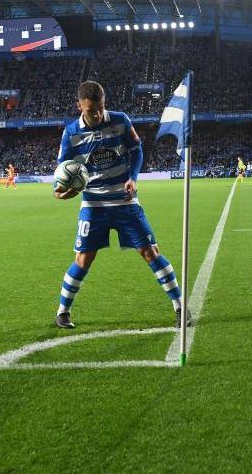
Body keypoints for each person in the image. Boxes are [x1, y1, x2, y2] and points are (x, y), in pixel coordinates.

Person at [51, 81, 186, 329]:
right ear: (79, 105)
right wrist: (59, 193)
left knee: (150, 252)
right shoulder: (71, 133)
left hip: (125, 202)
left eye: (101, 107)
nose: (98, 113)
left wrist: (132, 178)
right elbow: (61, 171)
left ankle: (180, 306)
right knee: (83, 259)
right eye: (92, 109)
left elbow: (137, 150)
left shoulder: (120, 120)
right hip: (93, 205)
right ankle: (63, 312)